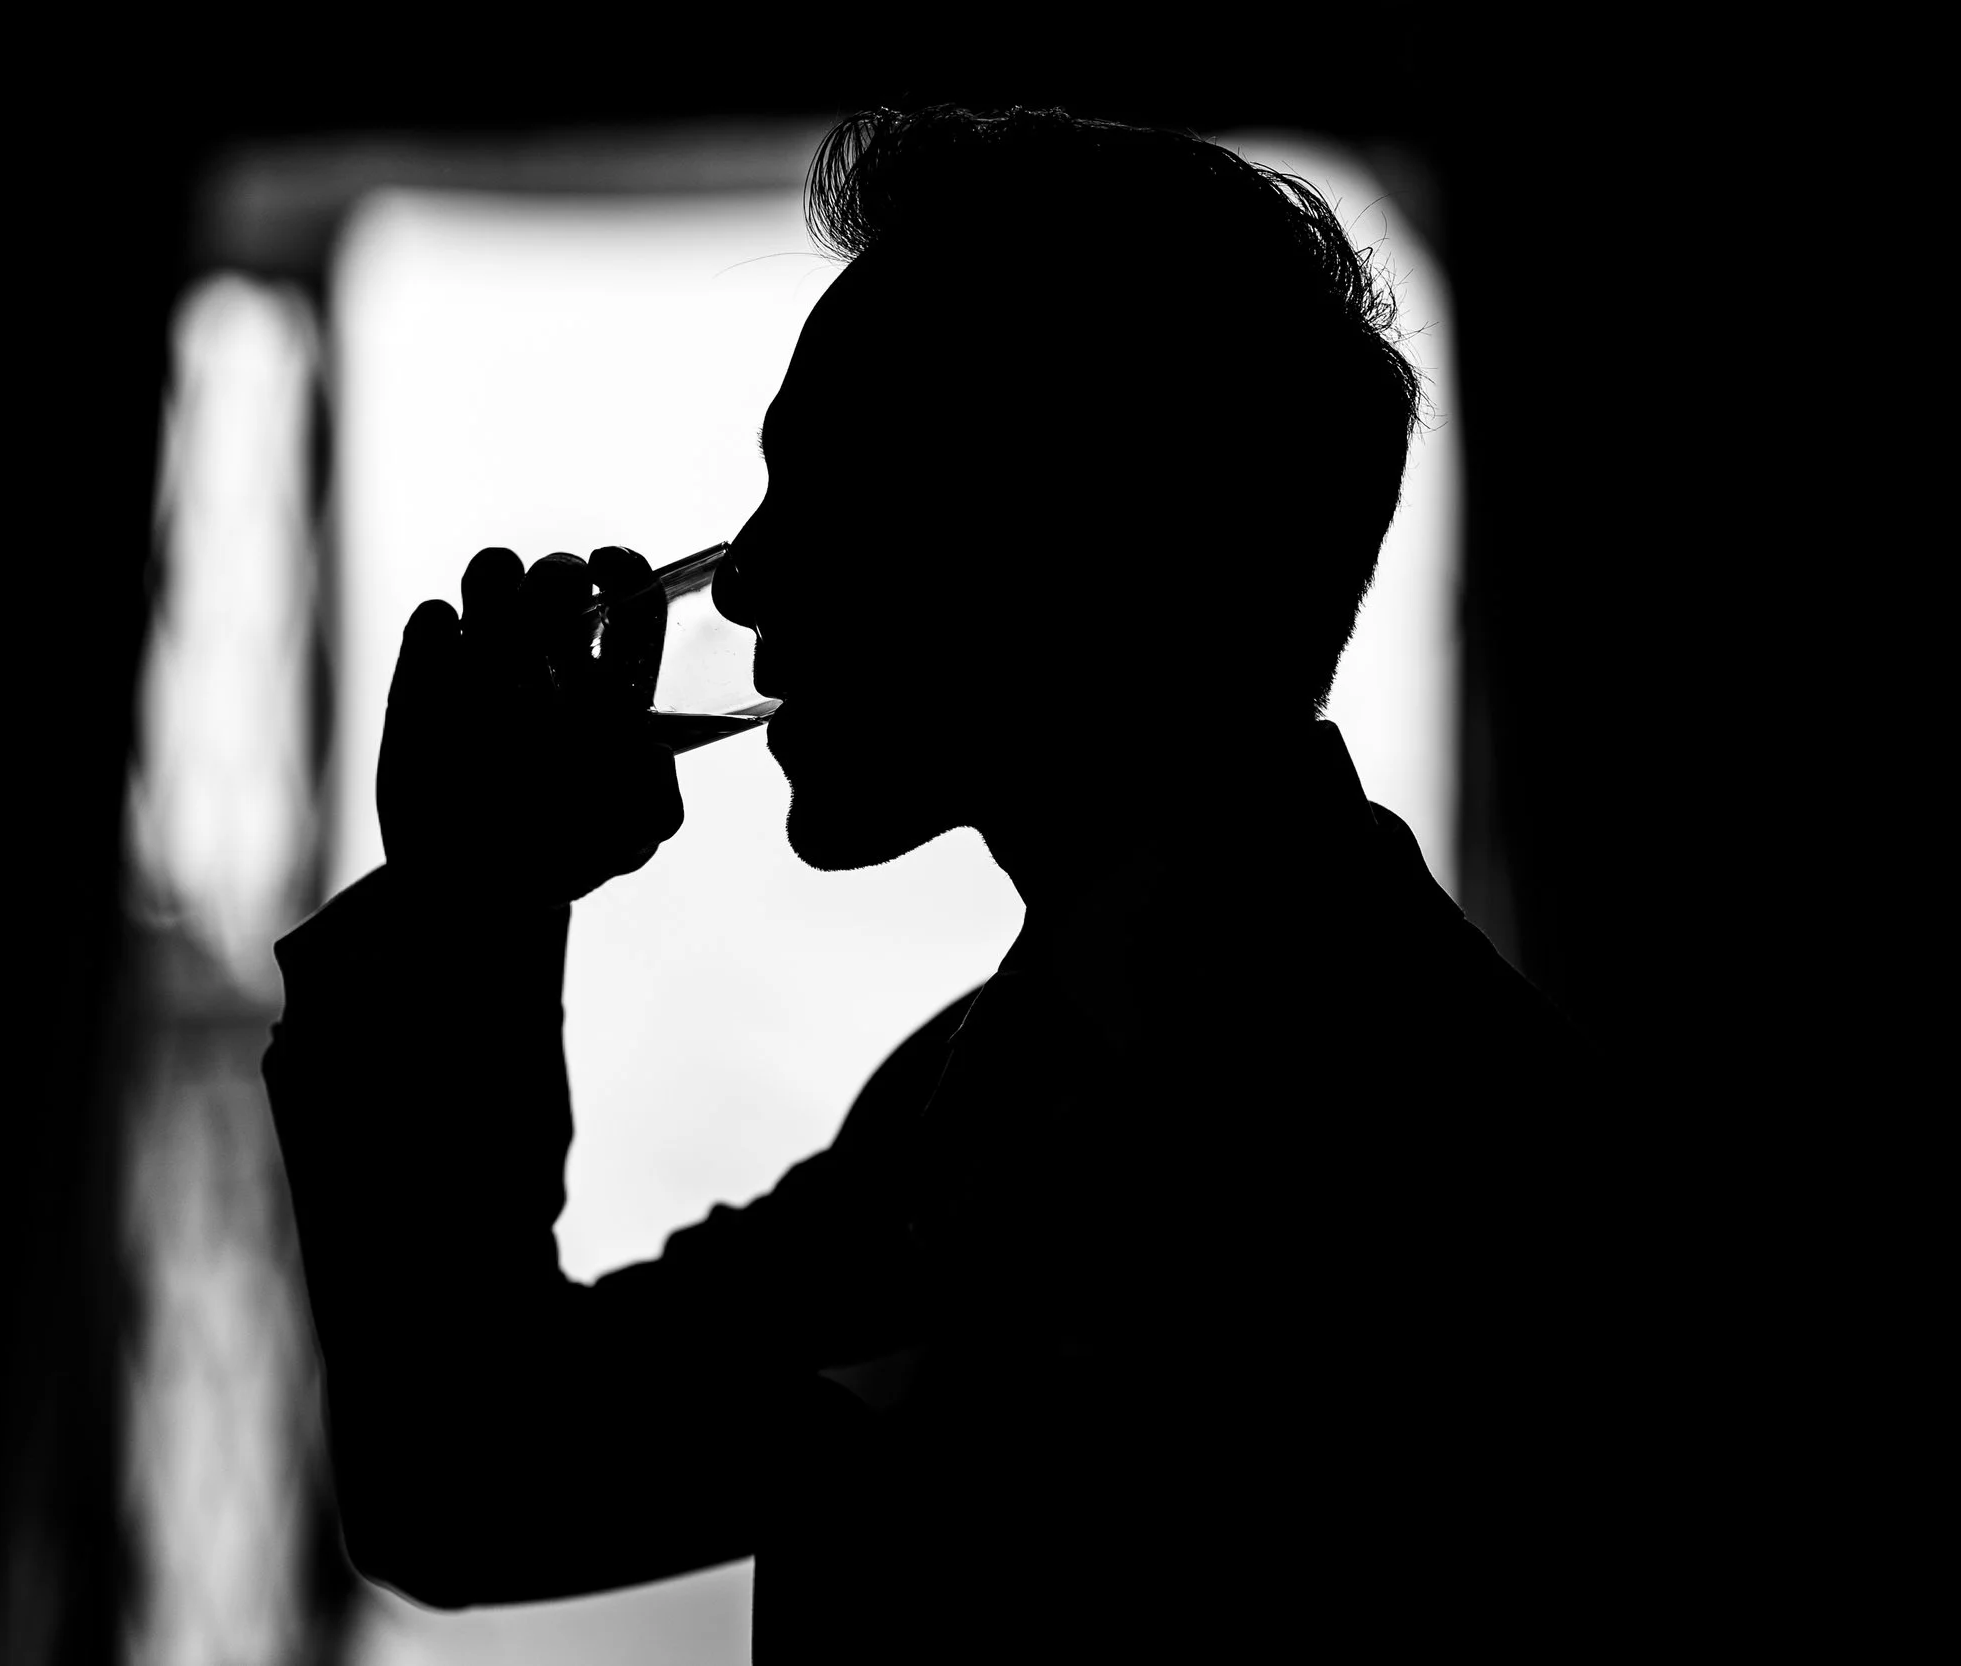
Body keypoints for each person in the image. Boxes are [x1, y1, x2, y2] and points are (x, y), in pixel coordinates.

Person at [265, 105, 1610, 1660]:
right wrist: (476, 903)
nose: (746, 575)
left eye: (826, 491)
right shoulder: (979, 1093)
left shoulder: (1462, 1163)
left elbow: (481, 1485)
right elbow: (481, 1482)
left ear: (1072, 540)